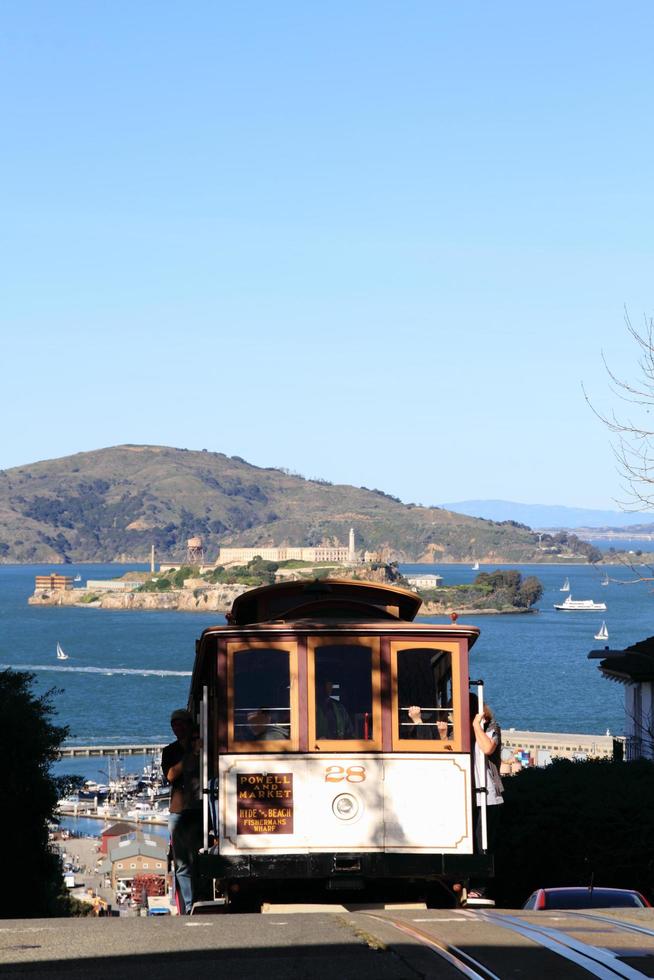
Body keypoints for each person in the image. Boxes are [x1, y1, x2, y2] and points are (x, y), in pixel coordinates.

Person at [162, 708, 202, 914]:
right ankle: (187, 906)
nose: (177, 728)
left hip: (198, 810)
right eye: (174, 725)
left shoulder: (203, 748)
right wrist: (189, 756)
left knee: (198, 860)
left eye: (181, 724)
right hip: (178, 811)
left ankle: (199, 900)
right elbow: (170, 775)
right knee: (181, 865)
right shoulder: (169, 751)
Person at [467, 697, 503, 903]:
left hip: (488, 794)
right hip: (467, 793)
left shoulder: (491, 726)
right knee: (469, 841)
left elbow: (487, 748)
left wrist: (475, 726)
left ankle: (480, 885)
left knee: (484, 842)